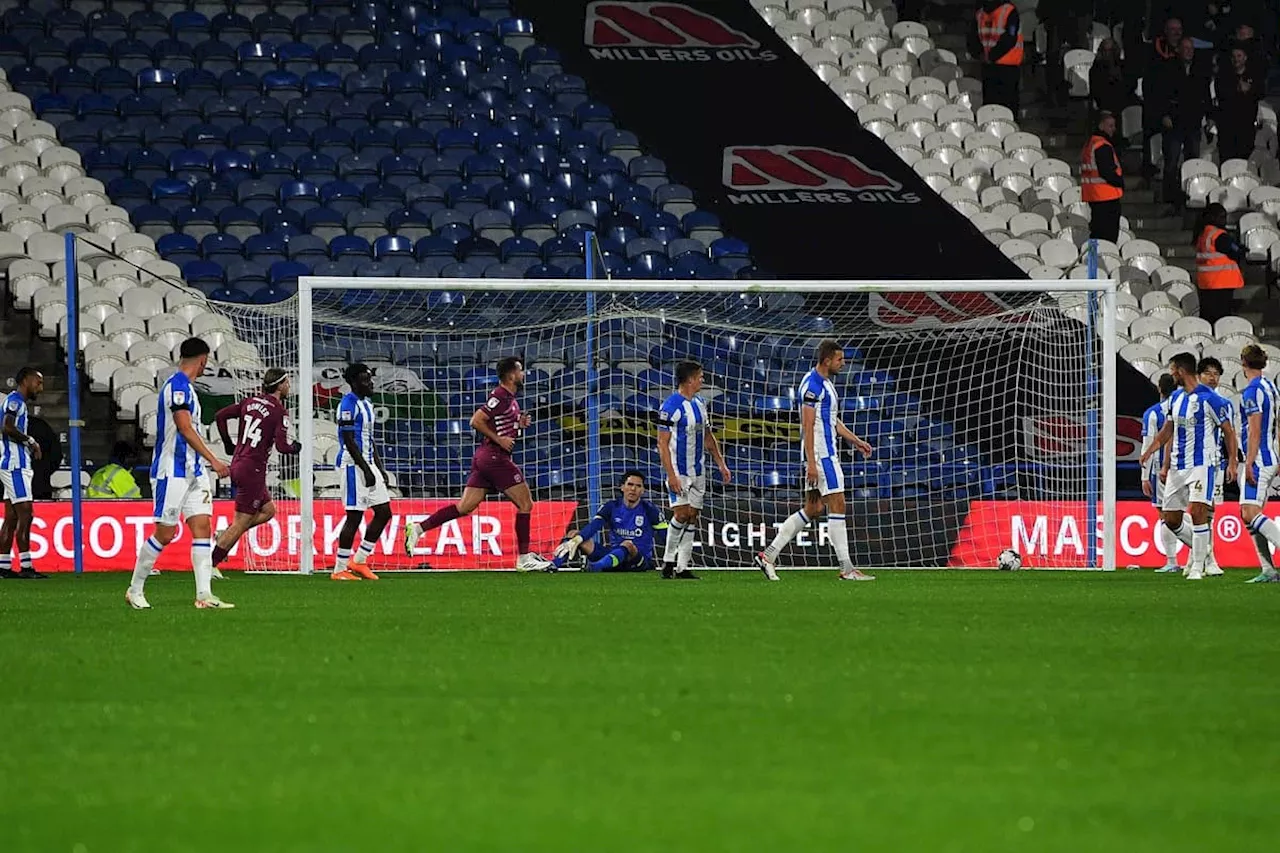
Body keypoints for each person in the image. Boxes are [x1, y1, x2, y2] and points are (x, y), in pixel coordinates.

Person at [405, 356, 551, 571]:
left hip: (486, 458)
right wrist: (499, 439)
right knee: (525, 504)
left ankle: (417, 529)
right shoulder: (500, 395)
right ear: (511, 375)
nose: (523, 374)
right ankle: (523, 558)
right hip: (495, 457)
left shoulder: (511, 399)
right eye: (520, 371)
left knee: (465, 507)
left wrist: (518, 423)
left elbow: (501, 423)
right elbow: (476, 420)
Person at [754, 340, 875, 582]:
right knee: (838, 504)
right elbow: (807, 426)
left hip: (820, 454)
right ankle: (847, 568)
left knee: (814, 508)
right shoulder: (812, 386)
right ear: (827, 360)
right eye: (840, 359)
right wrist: (811, 462)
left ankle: (768, 555)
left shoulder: (825, 384)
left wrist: (856, 441)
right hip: (822, 456)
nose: (843, 364)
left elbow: (831, 420)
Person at [125, 338, 232, 609]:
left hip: (194, 471)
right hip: (171, 471)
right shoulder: (177, 386)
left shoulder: (189, 389)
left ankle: (204, 595)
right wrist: (214, 460)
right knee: (165, 533)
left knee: (202, 528)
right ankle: (134, 589)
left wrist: (204, 464)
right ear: (203, 360)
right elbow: (184, 427)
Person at [1139, 351, 1237, 580]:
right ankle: (1205, 553)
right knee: (1171, 519)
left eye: (1173, 369)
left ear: (1181, 371)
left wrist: (1232, 462)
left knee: (1197, 511)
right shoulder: (1176, 398)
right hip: (1177, 465)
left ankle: (1197, 567)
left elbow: (1228, 431)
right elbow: (1168, 429)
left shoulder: (1210, 399)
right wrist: (1150, 450)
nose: (1171, 374)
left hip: (1203, 464)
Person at [211, 367, 301, 570]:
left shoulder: (249, 402)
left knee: (269, 511)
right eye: (286, 382)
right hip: (253, 470)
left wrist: (227, 444)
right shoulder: (279, 411)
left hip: (239, 463)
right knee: (241, 522)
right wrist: (297, 447)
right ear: (279, 385)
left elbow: (220, 416)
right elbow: (283, 447)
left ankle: (225, 534)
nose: (288, 386)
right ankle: (211, 563)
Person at [655, 359, 731, 580]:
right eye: (700, 376)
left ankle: (683, 567)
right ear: (689, 380)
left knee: (693, 516)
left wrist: (720, 463)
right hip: (679, 471)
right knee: (681, 513)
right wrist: (671, 476)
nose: (702, 380)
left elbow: (708, 436)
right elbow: (662, 443)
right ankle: (668, 562)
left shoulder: (699, 404)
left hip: (699, 470)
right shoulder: (670, 407)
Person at [330, 363, 391, 580]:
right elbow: (348, 440)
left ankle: (359, 560)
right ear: (353, 383)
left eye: (369, 379)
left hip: (367, 463)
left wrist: (379, 468)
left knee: (384, 512)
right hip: (352, 464)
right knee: (354, 516)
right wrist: (365, 469)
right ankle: (339, 569)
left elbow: (369, 439)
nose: (370, 383)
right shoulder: (347, 404)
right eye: (365, 380)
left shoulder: (367, 403)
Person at [550, 470, 667, 572]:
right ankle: (553, 565)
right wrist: (577, 539)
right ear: (622, 487)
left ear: (642, 490)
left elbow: (667, 537)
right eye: (630, 484)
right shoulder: (612, 506)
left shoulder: (650, 510)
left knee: (628, 544)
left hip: (638, 561)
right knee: (574, 534)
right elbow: (594, 526)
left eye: (638, 486)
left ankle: (595, 567)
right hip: (613, 557)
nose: (633, 489)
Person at [1234, 344, 1280, 582]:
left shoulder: (1251, 392)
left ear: (1243, 363)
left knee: (1250, 512)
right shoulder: (1271, 387)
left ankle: (1270, 567)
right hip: (1271, 456)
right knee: (1248, 513)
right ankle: (1268, 569)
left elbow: (1254, 431)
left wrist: (1249, 463)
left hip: (1259, 459)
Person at [1152, 37, 1211, 207]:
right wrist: (1164, 114)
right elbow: (1160, 94)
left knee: (1192, 161)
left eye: (1191, 48)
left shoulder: (1200, 70)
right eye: (1185, 48)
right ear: (1178, 50)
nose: (1189, 51)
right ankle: (1170, 197)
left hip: (1193, 121)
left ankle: (1191, 195)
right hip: (1174, 122)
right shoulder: (1168, 68)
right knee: (1172, 161)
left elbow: (1205, 95)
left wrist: (1210, 116)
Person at [0, 367, 46, 579]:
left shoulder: (17, 402)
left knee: (10, 517)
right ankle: (26, 566)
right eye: (38, 382)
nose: (40, 387)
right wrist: (30, 440)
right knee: (26, 513)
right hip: (15, 465)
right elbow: (7, 427)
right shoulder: (15, 401)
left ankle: (3, 565)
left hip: (13, 463)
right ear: (26, 381)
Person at [1141, 373, 1184, 573]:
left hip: (1161, 469)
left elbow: (1148, 444)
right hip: (1184, 466)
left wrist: (1144, 476)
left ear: (1159, 389)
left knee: (1165, 514)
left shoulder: (1153, 413)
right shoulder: (1181, 407)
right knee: (1181, 512)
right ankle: (1198, 553)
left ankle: (1172, 560)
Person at [1196, 357, 1230, 576]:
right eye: (1208, 373)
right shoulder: (1190, 400)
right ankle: (1203, 557)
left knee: (1210, 512)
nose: (1212, 377)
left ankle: (1206, 559)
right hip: (1192, 463)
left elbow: (1229, 434)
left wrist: (1231, 462)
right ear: (1199, 375)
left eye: (1216, 374)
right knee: (1195, 510)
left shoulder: (1223, 402)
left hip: (1215, 463)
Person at [1142, 16, 1183, 178]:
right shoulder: (1154, 56)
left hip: (1178, 113)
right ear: (1165, 31)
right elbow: (1152, 88)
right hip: (1157, 111)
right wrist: (1162, 113)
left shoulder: (1185, 52)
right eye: (1173, 29)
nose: (1176, 33)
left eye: (1179, 29)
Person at [1193, 202, 1246, 326]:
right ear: (1213, 218)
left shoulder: (1202, 234)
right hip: (1221, 283)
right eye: (1222, 217)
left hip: (1206, 284)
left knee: (1208, 320)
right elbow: (1236, 251)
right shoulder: (1219, 235)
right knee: (1221, 321)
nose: (1224, 220)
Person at [970, 0, 1023, 112]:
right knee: (1001, 109)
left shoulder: (981, 13)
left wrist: (984, 56)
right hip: (1002, 65)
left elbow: (972, 38)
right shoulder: (1008, 10)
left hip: (997, 65)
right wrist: (987, 56)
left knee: (994, 108)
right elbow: (1010, 37)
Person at [1081, 111, 1125, 242]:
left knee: (1095, 235)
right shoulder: (1102, 145)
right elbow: (1107, 172)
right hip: (1107, 196)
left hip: (1094, 195)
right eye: (1110, 126)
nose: (1113, 129)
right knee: (1108, 238)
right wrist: (1120, 182)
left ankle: (1093, 262)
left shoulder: (1090, 143)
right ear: (1101, 126)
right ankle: (1102, 261)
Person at [1214, 45, 1263, 162]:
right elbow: (1221, 96)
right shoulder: (1224, 76)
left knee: (1244, 162)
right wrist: (1236, 89)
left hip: (1246, 129)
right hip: (1227, 129)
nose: (1236, 59)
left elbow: (1260, 93)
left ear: (1245, 58)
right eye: (1234, 56)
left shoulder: (1254, 76)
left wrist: (1249, 90)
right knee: (1227, 161)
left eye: (1239, 56)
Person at [1088, 39, 1133, 125]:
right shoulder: (1096, 69)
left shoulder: (1123, 66)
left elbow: (1130, 86)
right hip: (1105, 103)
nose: (1108, 54)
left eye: (1111, 51)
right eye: (1105, 51)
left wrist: (1119, 77)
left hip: (1123, 102)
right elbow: (1096, 91)